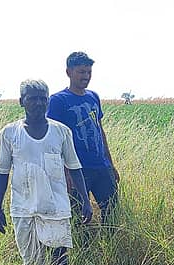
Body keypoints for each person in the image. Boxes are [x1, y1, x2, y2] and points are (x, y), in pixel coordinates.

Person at [0, 79, 92, 265]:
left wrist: (86, 200)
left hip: (56, 208)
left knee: (60, 262)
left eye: (42, 99)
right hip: (23, 209)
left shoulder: (61, 131)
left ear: (47, 101)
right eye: (32, 99)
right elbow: (1, 172)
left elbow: (74, 167)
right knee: (31, 263)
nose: (38, 103)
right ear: (22, 101)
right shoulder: (9, 133)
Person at [47, 51, 120, 224]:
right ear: (68, 72)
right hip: (77, 169)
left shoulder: (93, 97)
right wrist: (65, 172)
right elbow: (54, 139)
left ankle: (110, 248)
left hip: (101, 166)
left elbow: (100, 131)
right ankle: (84, 250)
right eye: (81, 72)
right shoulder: (58, 100)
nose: (86, 76)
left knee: (112, 212)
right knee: (81, 218)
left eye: (88, 72)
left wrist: (111, 164)